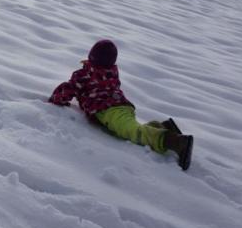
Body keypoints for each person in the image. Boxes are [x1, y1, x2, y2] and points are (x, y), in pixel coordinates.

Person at [49, 39, 194, 170]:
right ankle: (162, 127)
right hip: (123, 106)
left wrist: (56, 99)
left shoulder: (84, 74)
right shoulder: (111, 72)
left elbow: (69, 88)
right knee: (134, 128)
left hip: (109, 111)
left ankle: (174, 141)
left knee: (133, 132)